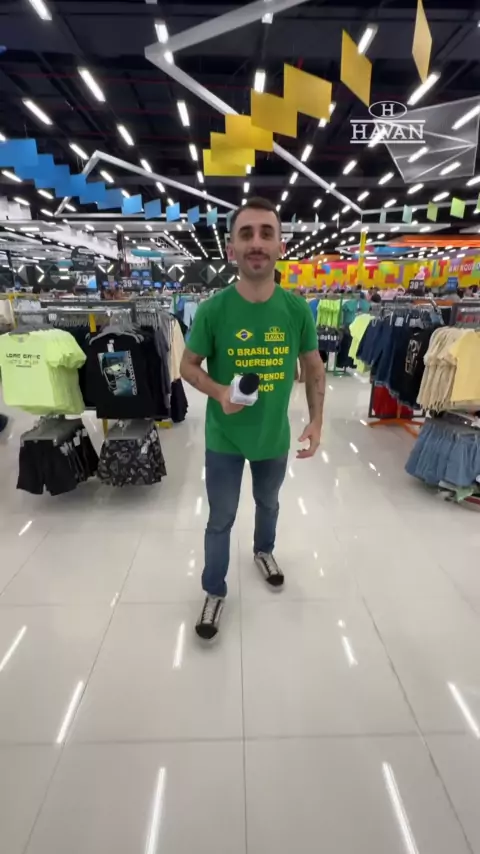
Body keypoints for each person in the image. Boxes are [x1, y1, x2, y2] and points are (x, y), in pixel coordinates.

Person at [181, 197, 326, 640]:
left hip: (273, 437)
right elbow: (187, 366)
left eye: (266, 233)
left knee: (269, 503)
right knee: (220, 518)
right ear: (231, 249)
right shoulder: (213, 310)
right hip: (224, 437)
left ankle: (264, 550)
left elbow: (314, 367)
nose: (257, 242)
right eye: (246, 234)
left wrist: (317, 420)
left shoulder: (297, 310)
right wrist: (220, 392)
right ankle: (214, 589)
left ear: (281, 246)